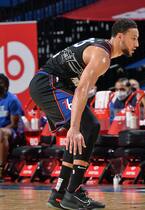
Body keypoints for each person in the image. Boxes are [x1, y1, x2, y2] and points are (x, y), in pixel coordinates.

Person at [29, 18, 139, 210]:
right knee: (88, 127)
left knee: (85, 129)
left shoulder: (100, 48)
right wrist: (73, 127)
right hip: (49, 84)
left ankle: (61, 193)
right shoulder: (102, 56)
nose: (137, 44)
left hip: (56, 84)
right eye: (133, 38)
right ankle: (73, 191)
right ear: (120, 37)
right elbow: (81, 89)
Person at [0, 74, 23, 182]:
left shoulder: (12, 99)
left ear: (5, 85)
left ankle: (1, 168)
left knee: (1, 133)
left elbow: (14, 124)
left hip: (12, 131)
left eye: (1, 83)